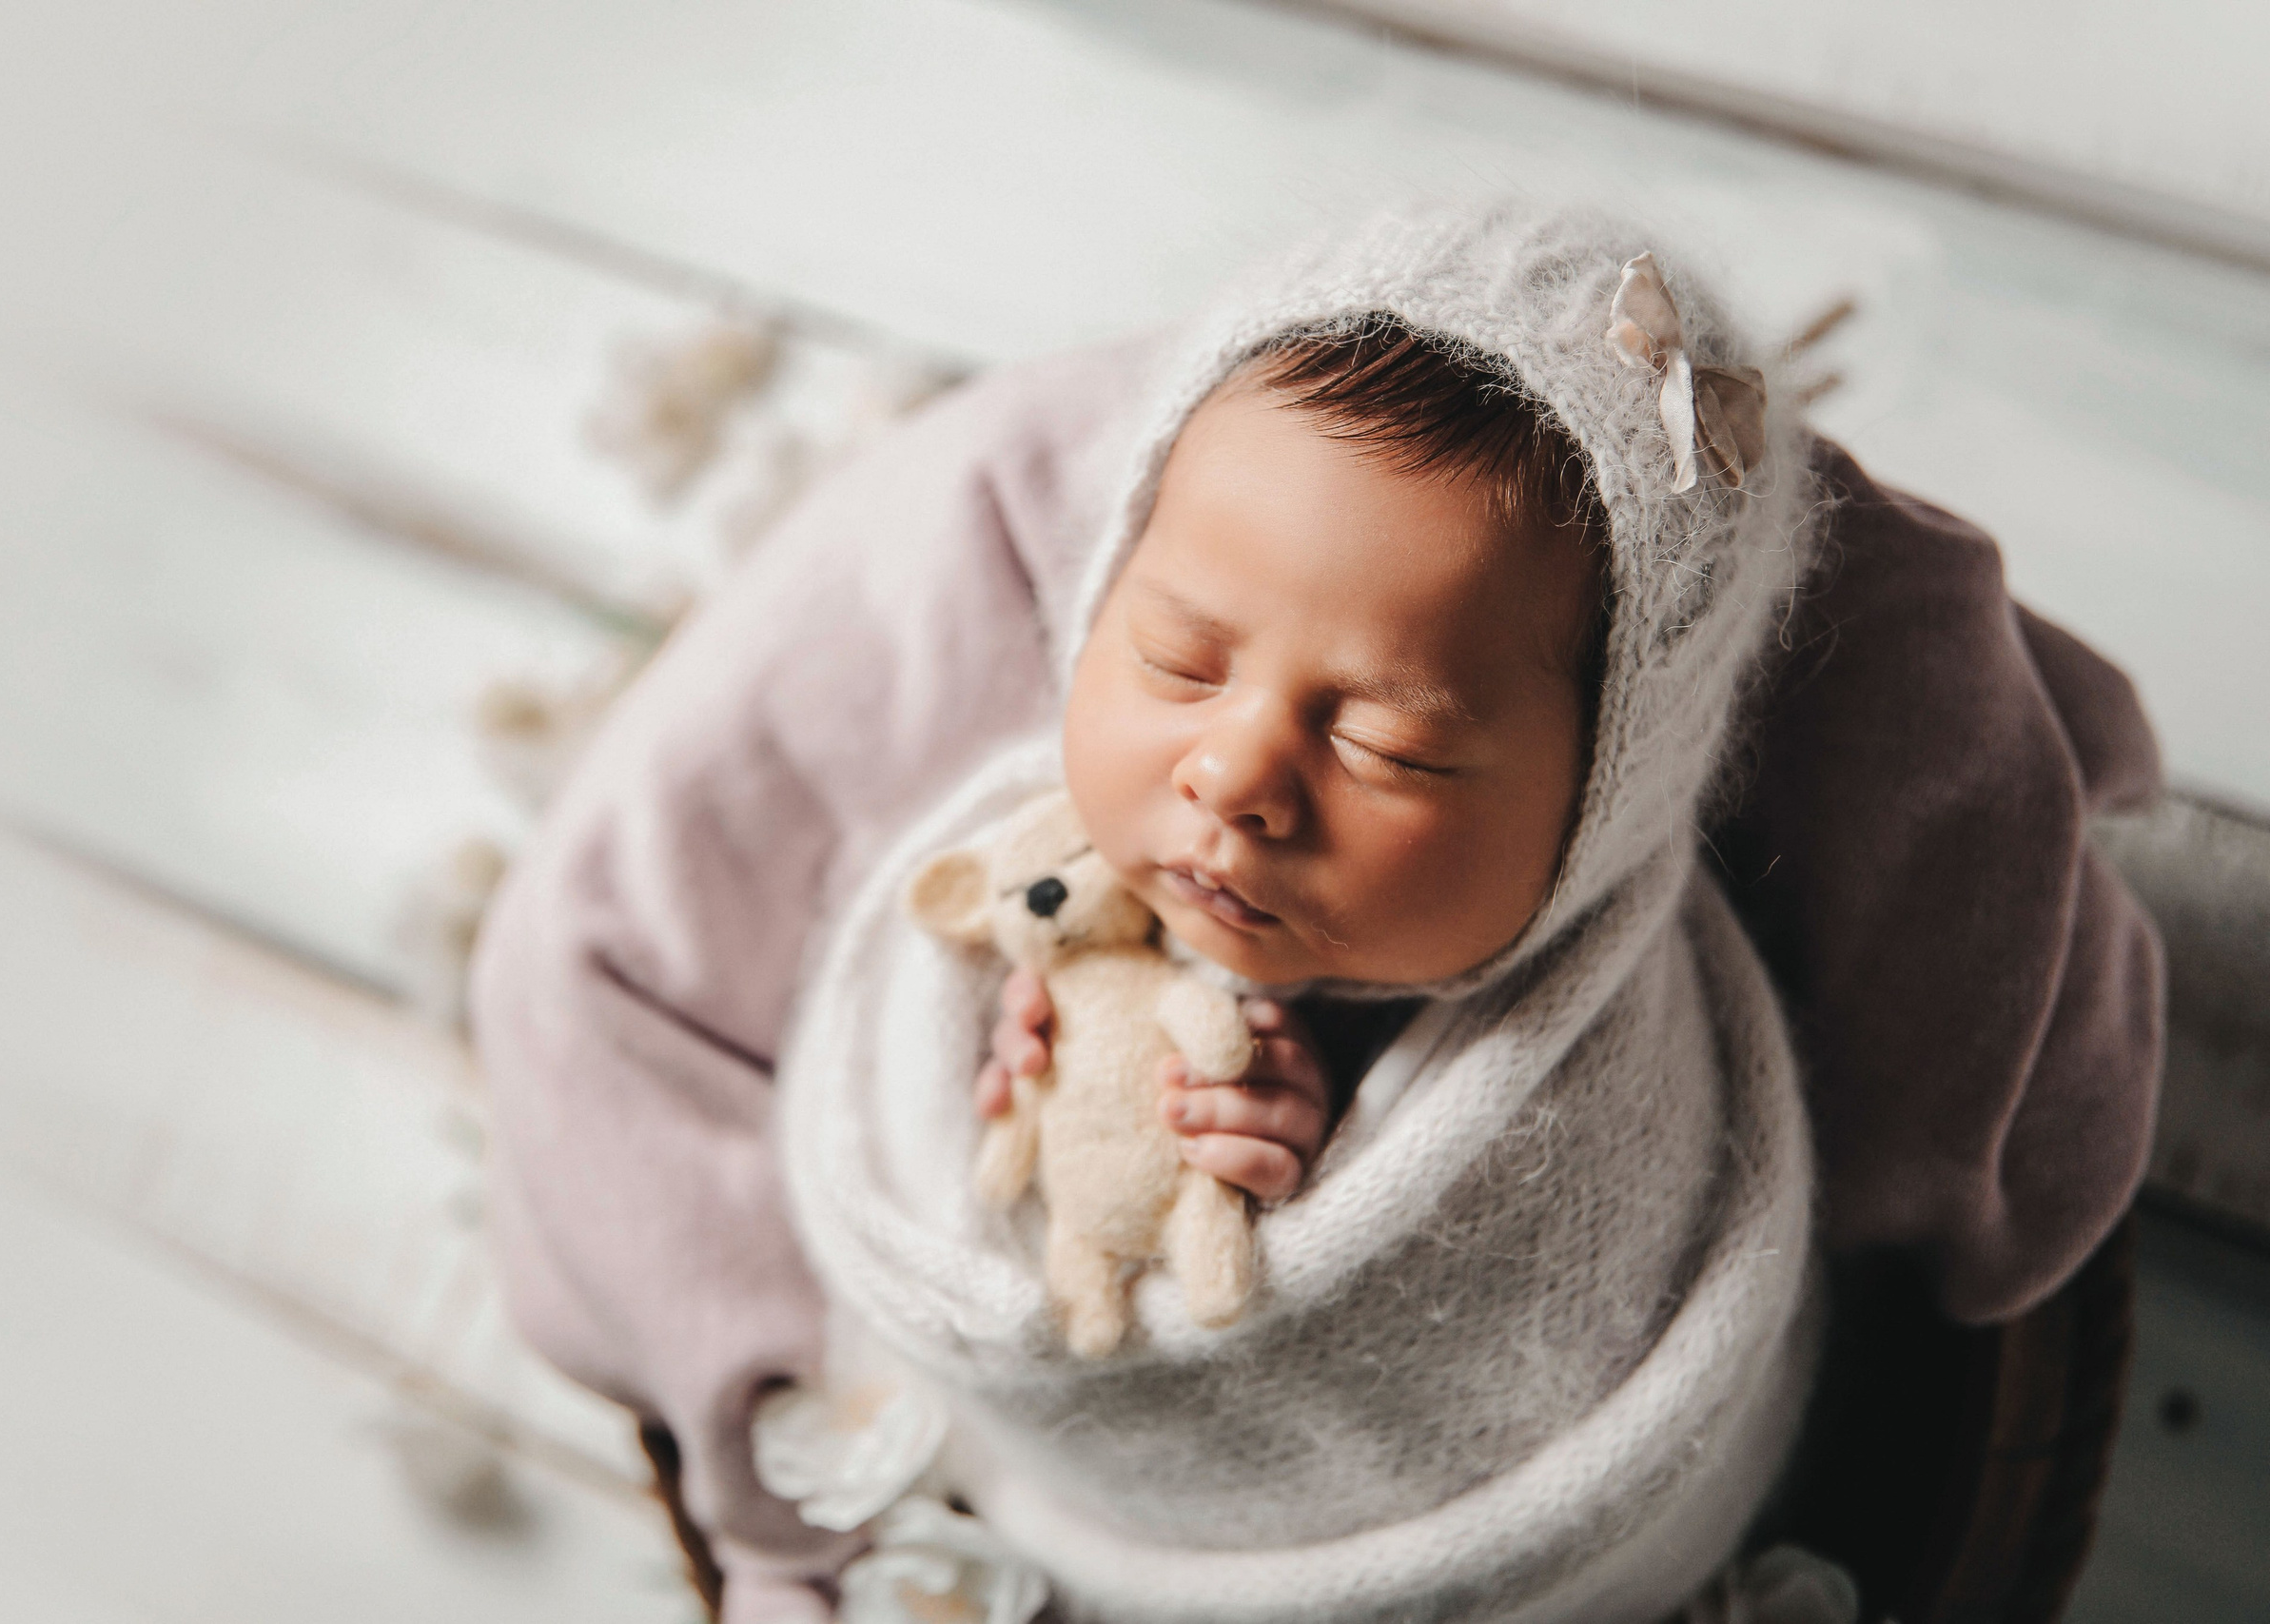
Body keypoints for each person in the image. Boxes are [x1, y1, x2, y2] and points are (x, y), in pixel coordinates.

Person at [470, 204, 2162, 1621]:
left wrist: (1311, 1134)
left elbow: (1565, 1271)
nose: (1239, 776)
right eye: (1177, 660)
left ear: (1607, 804)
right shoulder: (1027, 853)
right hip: (1054, 1481)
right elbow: (1004, 1134)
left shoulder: (1615, 1050)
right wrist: (1018, 1073)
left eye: (1387, 739)